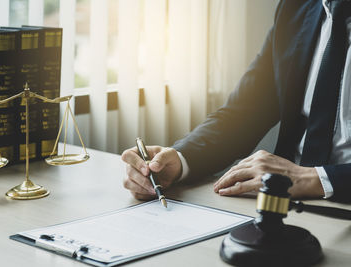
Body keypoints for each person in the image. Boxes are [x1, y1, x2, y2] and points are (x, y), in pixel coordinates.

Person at [122, 0, 351, 203]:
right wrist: (179, 160)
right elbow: (243, 114)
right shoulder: (296, 8)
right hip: (282, 204)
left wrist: (319, 179)